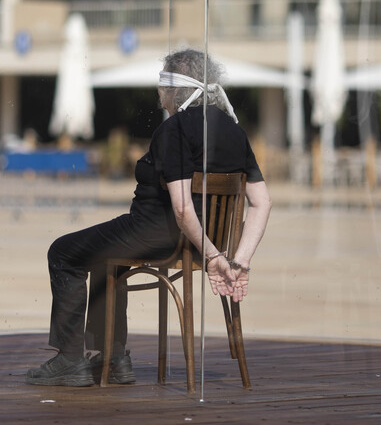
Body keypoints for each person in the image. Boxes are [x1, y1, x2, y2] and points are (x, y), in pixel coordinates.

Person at [25, 49, 272, 387]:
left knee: (63, 252)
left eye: (161, 83)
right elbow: (262, 203)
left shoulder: (175, 130)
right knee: (101, 255)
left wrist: (214, 258)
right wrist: (237, 260)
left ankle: (70, 360)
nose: (158, 91)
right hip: (199, 242)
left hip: (159, 234)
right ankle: (111, 359)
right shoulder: (234, 131)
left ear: (175, 88)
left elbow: (182, 208)